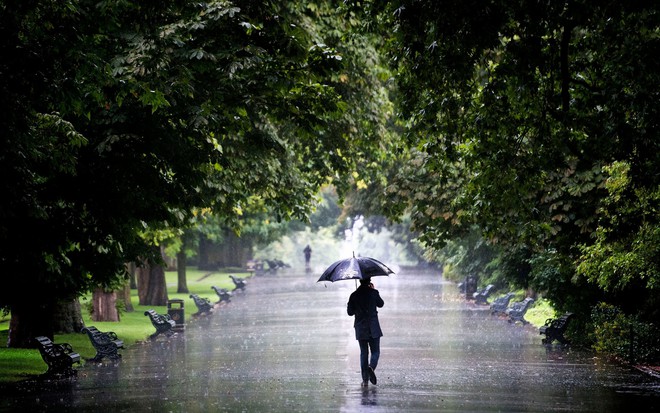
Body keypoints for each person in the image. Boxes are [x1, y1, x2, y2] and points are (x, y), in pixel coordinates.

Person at [347, 277, 384, 387]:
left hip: (360, 328)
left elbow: (350, 312)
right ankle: (371, 367)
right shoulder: (373, 293)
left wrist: (353, 303)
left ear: (360, 281)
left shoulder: (354, 295)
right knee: (375, 352)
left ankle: (365, 380)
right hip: (373, 327)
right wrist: (373, 290)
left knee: (364, 353)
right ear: (369, 281)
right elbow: (381, 304)